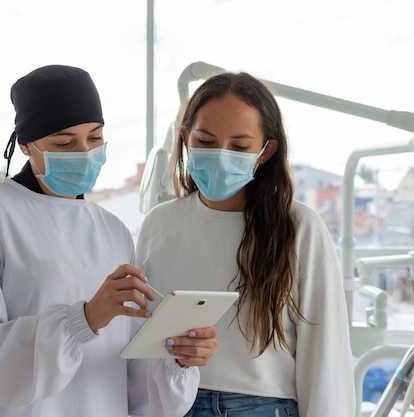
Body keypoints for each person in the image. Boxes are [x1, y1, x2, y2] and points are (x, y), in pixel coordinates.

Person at [0, 64, 219, 417]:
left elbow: (129, 379)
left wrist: (178, 357)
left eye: (94, 138)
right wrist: (84, 319)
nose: (84, 152)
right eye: (64, 143)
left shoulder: (113, 231)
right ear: (25, 145)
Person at [135, 70, 355, 417]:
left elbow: (326, 354)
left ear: (266, 151)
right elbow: (142, 341)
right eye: (205, 142)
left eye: (239, 147)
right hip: (172, 404)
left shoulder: (299, 227)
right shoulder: (159, 224)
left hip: (263, 406)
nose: (220, 156)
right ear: (184, 137)